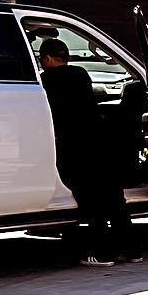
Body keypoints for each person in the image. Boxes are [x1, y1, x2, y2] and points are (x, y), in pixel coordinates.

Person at [37, 39, 138, 264]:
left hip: (73, 147)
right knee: (114, 197)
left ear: (48, 59)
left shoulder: (45, 81)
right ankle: (131, 250)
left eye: (43, 60)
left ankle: (101, 253)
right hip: (98, 142)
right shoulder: (81, 74)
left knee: (91, 201)